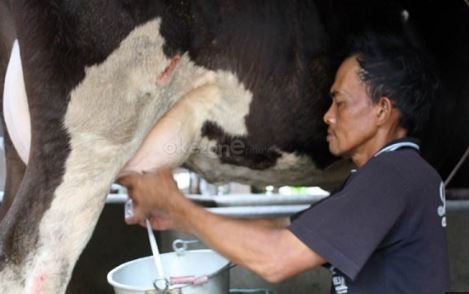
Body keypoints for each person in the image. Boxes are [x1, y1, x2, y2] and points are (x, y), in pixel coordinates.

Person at [118, 33, 450, 294]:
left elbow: (276, 259)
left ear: (382, 110)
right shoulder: (394, 175)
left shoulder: (391, 176)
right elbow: (281, 230)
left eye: (340, 103)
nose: (328, 116)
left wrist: (178, 207)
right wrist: (185, 216)